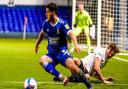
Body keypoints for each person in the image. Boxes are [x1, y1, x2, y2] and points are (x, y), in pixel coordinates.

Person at [35, 2, 93, 89]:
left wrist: (76, 45)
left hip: (62, 52)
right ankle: (62, 77)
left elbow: (72, 34)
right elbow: (42, 34)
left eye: (47, 12)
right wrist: (37, 45)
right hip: (52, 54)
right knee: (41, 60)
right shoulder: (46, 23)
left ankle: (89, 85)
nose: (46, 14)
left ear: (53, 12)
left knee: (73, 67)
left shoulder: (62, 23)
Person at [54, 43, 119, 84]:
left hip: (83, 68)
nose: (110, 55)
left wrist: (105, 78)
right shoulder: (102, 53)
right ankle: (57, 55)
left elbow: (93, 73)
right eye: (110, 52)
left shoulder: (105, 58)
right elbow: (96, 68)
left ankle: (62, 78)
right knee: (75, 62)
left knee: (86, 77)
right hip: (81, 65)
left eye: (112, 55)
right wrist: (103, 81)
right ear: (108, 48)